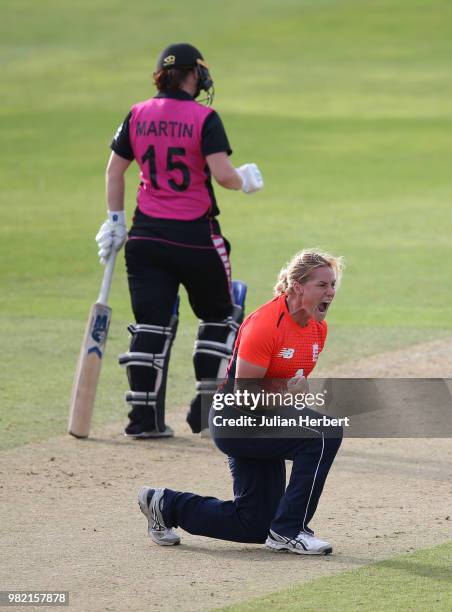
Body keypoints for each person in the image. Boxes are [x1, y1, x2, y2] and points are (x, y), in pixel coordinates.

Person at [95, 43, 263, 438]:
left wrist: (115, 222)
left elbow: (114, 171)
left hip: (145, 238)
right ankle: (205, 413)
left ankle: (142, 421)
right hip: (196, 238)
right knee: (221, 314)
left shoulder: (137, 113)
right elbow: (222, 175)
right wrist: (246, 180)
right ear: (193, 74)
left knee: (150, 326)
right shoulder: (204, 116)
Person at [137, 249, 345, 555]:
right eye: (322, 285)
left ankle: (165, 504)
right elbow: (245, 396)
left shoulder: (317, 329)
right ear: (298, 286)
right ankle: (290, 530)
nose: (331, 292)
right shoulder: (264, 325)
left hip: (266, 420)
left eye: (333, 285)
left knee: (254, 523)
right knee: (325, 433)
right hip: (236, 420)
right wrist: (288, 395)